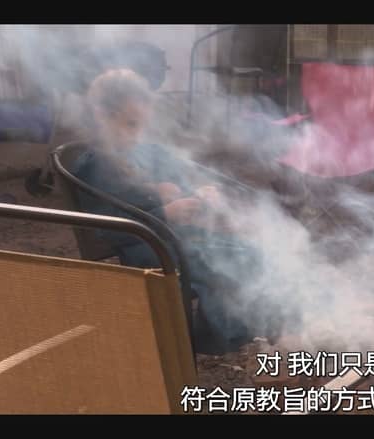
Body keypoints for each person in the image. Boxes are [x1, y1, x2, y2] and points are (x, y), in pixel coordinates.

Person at [70, 68, 279, 353]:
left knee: (251, 252)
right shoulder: (96, 166)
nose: (137, 134)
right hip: (150, 248)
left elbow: (179, 178)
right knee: (229, 265)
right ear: (101, 116)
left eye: (141, 125)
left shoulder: (145, 151)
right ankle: (213, 339)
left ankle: (242, 331)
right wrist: (166, 212)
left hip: (178, 238)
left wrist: (199, 191)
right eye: (130, 125)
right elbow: (108, 228)